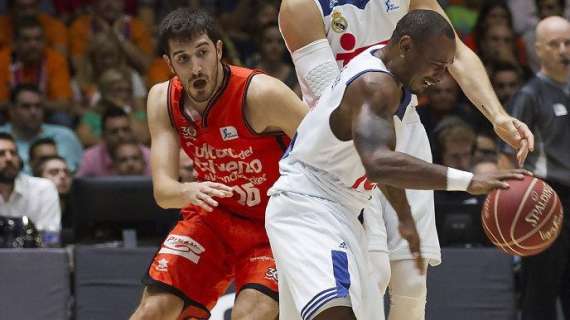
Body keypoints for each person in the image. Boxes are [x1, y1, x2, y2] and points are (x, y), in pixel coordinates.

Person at [279, 0, 535, 319]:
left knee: (412, 281)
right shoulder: (301, 6)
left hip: (404, 129)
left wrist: (497, 116)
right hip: (345, 149)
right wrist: (465, 181)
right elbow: (333, 98)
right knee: (373, 274)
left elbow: (454, 51)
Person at [129, 8, 307, 320]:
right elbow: (163, 192)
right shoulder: (162, 100)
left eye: (202, 53)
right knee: (152, 312)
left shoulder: (261, 93)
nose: (196, 67)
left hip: (271, 224)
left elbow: (326, 149)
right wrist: (189, 191)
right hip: (211, 219)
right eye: (183, 58)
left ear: (218, 50)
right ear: (170, 64)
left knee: (250, 316)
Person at [507, 16, 570, 320]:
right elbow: (511, 154)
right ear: (538, 49)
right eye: (554, 44)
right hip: (546, 201)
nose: (563, 50)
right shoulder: (530, 94)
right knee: (541, 288)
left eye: (568, 43)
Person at [0, 16, 72, 122]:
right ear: (15, 43)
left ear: (44, 41)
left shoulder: (56, 61)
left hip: (44, 118)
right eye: (26, 40)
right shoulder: (2, 60)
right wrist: (20, 105)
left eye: (38, 39)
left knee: (61, 118)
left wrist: (32, 104)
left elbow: (64, 104)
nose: (33, 45)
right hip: (9, 118)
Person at [0, 84, 83, 173]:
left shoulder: (65, 137)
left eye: (38, 106)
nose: (33, 112)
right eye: (26, 106)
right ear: (12, 110)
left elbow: (73, 176)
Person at [0, 132, 61, 246]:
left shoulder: (43, 189)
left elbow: (51, 239)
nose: (9, 158)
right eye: (1, 154)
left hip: (35, 259)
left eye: (13, 153)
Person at [76, 106, 151, 177]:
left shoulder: (148, 156)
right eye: (114, 131)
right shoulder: (90, 159)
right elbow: (77, 185)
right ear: (103, 136)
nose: (121, 135)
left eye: (125, 130)